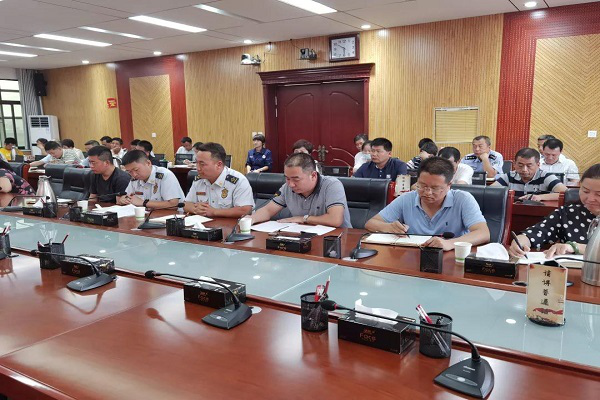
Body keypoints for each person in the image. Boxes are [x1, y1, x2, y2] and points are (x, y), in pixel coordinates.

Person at [365, 157, 490, 250]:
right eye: (422, 186)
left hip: (451, 259)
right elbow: (371, 223)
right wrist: (388, 227)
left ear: (449, 185)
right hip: (413, 258)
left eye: (435, 188)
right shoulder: (407, 199)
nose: (427, 192)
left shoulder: (463, 199)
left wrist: (449, 243)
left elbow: (483, 233)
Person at [509, 163, 600, 259]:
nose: (590, 199)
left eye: (598, 194)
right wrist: (519, 242)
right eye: (585, 191)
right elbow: (536, 233)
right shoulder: (567, 213)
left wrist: (575, 247)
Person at [252, 152, 352, 228]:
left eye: (296, 179)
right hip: (303, 237)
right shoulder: (287, 187)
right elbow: (268, 210)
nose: (291, 184)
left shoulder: (332, 185)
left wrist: (303, 218)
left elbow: (335, 219)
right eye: (287, 178)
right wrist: (251, 220)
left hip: (337, 239)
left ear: (313, 175)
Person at [185, 142, 254, 217]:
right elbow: (186, 204)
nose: (198, 168)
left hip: (230, 224)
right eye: (196, 163)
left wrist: (214, 212)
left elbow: (245, 210)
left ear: (219, 165)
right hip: (204, 223)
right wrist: (195, 209)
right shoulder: (199, 179)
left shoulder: (238, 180)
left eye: (202, 164)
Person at [493, 148, 567, 201]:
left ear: (538, 165)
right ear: (514, 164)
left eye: (529, 166)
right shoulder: (509, 176)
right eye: (520, 165)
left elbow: (567, 194)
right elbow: (489, 192)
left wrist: (540, 197)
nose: (524, 170)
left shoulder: (546, 177)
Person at [117, 150, 184, 208]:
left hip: (170, 216)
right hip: (146, 215)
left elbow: (174, 204)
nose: (134, 174)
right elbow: (129, 196)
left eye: (136, 170)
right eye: (129, 172)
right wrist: (124, 199)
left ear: (148, 163)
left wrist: (143, 203)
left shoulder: (165, 175)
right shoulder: (134, 179)